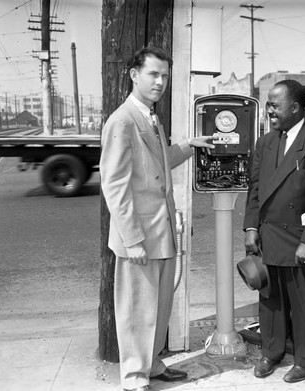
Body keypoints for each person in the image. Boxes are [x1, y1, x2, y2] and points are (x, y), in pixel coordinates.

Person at [100, 46, 215, 391]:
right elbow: (115, 186)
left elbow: (156, 160)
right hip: (139, 235)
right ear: (134, 75)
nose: (160, 82)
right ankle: (134, 378)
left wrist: (188, 145)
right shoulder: (122, 120)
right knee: (137, 310)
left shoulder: (149, 116)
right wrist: (132, 240)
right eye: (153, 74)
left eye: (165, 76)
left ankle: (150, 365)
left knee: (158, 307)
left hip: (160, 230)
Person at [243, 80, 305, 383]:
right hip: (270, 237)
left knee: (304, 304)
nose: (269, 109)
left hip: (302, 240)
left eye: (275, 104)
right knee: (270, 301)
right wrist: (250, 226)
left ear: (296, 108)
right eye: (268, 103)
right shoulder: (265, 142)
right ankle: (271, 353)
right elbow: (256, 189)